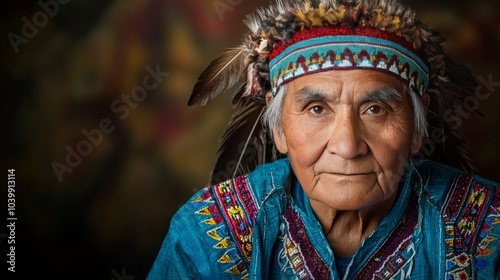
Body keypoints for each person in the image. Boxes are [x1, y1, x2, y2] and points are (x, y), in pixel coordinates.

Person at [148, 0, 500, 279]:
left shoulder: (489, 230)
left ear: (417, 126)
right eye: (316, 109)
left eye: (376, 109)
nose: (347, 146)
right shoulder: (209, 236)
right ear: (280, 129)